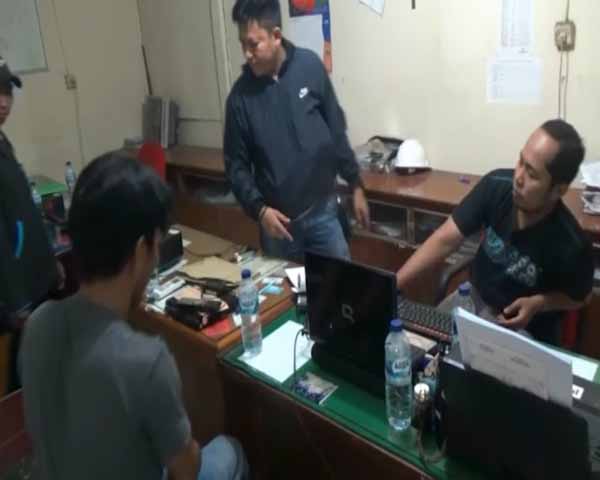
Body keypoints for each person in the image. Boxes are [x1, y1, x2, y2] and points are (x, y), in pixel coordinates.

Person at [19, 152, 248, 480]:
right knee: (229, 450)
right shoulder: (146, 361)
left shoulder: (38, 324)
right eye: (157, 245)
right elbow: (186, 470)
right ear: (142, 250)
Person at [396, 120, 593, 345]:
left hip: (525, 329)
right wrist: (394, 283)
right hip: (471, 300)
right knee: (414, 347)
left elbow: (581, 297)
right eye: (521, 161)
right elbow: (445, 240)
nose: (518, 177)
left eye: (532, 174)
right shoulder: (496, 185)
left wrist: (539, 303)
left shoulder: (571, 243)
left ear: (558, 190)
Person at [224, 0, 369, 262]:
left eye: (253, 44)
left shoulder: (309, 66)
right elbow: (236, 167)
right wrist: (259, 211)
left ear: (276, 36)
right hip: (279, 227)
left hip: (324, 214)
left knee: (339, 283)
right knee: (286, 289)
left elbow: (336, 129)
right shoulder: (240, 98)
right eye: (242, 44)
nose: (246, 54)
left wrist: (355, 184)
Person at [0, 56, 60, 393]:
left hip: (34, 278)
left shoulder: (2, 141)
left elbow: (23, 211)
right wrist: (18, 302)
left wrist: (50, 263)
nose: (3, 102)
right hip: (17, 293)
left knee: (40, 364)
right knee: (26, 376)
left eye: (7, 91)